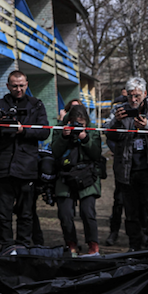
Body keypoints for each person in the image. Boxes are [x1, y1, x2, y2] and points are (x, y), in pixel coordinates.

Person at [104, 76, 148, 250]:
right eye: (130, 96)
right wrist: (116, 121)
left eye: (137, 96)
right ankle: (135, 246)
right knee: (131, 213)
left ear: (145, 94)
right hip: (127, 170)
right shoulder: (119, 110)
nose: (133, 100)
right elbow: (107, 132)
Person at [0, 71, 49, 249]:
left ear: (27, 84)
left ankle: (23, 246)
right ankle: (6, 247)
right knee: (3, 214)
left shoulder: (36, 105)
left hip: (27, 167)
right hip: (4, 167)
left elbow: (45, 131)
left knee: (26, 213)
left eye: (21, 85)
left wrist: (23, 130)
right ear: (8, 86)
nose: (18, 89)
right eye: (14, 86)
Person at [50, 104, 103, 255]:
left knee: (88, 212)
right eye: (75, 123)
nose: (78, 126)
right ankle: (71, 243)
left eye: (81, 124)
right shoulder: (60, 128)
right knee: (65, 213)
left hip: (87, 175)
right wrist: (64, 137)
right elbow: (55, 152)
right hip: (65, 175)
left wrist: (85, 138)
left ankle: (93, 245)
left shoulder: (92, 129)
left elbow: (96, 154)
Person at [103, 88, 128, 247]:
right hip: (122, 162)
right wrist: (115, 149)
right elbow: (108, 130)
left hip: (139, 163)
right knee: (118, 200)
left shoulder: (146, 109)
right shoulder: (117, 109)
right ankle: (114, 232)